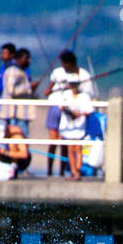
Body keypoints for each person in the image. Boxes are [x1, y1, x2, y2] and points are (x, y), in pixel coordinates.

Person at [46, 50, 93, 178]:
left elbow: (89, 95)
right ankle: (50, 171)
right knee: (54, 141)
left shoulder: (84, 75)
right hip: (57, 109)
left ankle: (68, 171)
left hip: (76, 118)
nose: (64, 66)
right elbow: (48, 90)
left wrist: (77, 112)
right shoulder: (57, 73)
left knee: (72, 147)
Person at [0, 47, 34, 151]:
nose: (29, 61)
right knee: (17, 140)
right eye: (26, 58)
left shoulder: (21, 71)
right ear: (20, 58)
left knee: (21, 139)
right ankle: (14, 161)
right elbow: (11, 90)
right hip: (14, 114)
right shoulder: (13, 71)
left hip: (20, 113)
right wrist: (28, 88)